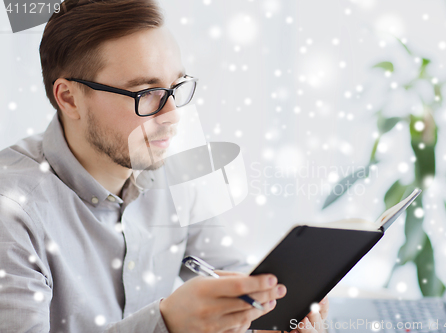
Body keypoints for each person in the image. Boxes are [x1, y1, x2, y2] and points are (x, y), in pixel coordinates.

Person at [0, 0, 329, 332]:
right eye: (147, 92)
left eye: (176, 87)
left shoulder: (169, 175)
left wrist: (273, 308)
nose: (172, 114)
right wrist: (166, 323)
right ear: (69, 98)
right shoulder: (12, 212)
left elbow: (231, 271)